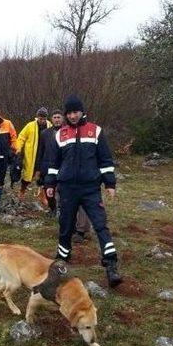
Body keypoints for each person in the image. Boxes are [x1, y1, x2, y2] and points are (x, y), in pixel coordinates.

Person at [44, 95, 122, 287]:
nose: (72, 116)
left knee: (100, 225)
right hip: (68, 188)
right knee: (66, 226)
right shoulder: (59, 135)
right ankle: (62, 259)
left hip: (90, 189)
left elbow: (105, 160)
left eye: (75, 112)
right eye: (69, 113)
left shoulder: (95, 131)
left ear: (82, 111)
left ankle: (111, 265)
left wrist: (110, 184)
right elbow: (53, 164)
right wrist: (50, 185)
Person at [37, 110, 91, 239]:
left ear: (63, 118)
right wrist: (38, 170)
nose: (56, 120)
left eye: (59, 117)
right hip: (49, 167)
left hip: (70, 169)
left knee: (74, 198)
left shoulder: (70, 132)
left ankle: (79, 229)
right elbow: (41, 152)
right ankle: (58, 214)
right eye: (54, 117)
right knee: (56, 195)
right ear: (52, 119)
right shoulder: (45, 133)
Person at [16, 107, 51, 199]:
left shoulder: (50, 126)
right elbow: (21, 137)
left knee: (44, 177)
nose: (42, 120)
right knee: (28, 176)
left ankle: (42, 195)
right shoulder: (30, 126)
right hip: (31, 155)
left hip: (44, 155)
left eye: (44, 118)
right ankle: (22, 190)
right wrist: (18, 149)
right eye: (40, 118)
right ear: (37, 117)